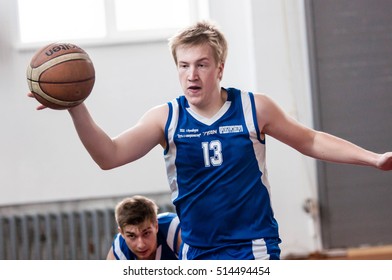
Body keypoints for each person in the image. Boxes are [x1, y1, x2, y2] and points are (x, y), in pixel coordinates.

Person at [29, 21, 392, 260]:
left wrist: (373, 158)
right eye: (184, 65)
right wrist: (76, 106)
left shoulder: (254, 108)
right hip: (198, 251)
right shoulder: (165, 117)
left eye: (201, 64)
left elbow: (311, 140)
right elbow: (109, 156)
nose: (192, 74)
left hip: (253, 248)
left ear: (219, 68)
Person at [106, 195, 181, 260]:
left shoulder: (175, 231)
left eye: (146, 233)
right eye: (131, 236)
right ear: (121, 233)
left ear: (156, 226)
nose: (141, 245)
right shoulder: (119, 250)